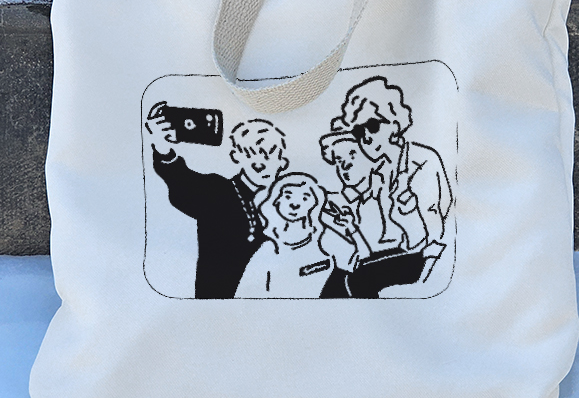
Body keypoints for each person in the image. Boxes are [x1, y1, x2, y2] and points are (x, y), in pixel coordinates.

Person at [318, 76, 452, 298]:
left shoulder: (421, 160)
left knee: (358, 279)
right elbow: (348, 198)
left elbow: (433, 226)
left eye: (373, 126)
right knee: (338, 280)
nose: (366, 137)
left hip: (423, 252)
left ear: (394, 122)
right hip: (395, 252)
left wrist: (408, 210)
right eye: (359, 131)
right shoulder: (379, 170)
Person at [146, 109, 288, 299]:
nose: (260, 163)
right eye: (251, 154)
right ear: (237, 156)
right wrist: (163, 149)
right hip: (214, 303)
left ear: (282, 163)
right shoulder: (218, 190)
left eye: (269, 155)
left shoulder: (277, 204)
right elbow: (181, 180)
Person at [235, 173, 363, 298]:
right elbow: (244, 296)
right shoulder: (268, 248)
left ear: (314, 204)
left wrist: (351, 228)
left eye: (305, 198)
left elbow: (362, 266)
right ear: (276, 200)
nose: (295, 204)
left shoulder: (323, 238)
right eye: (288, 196)